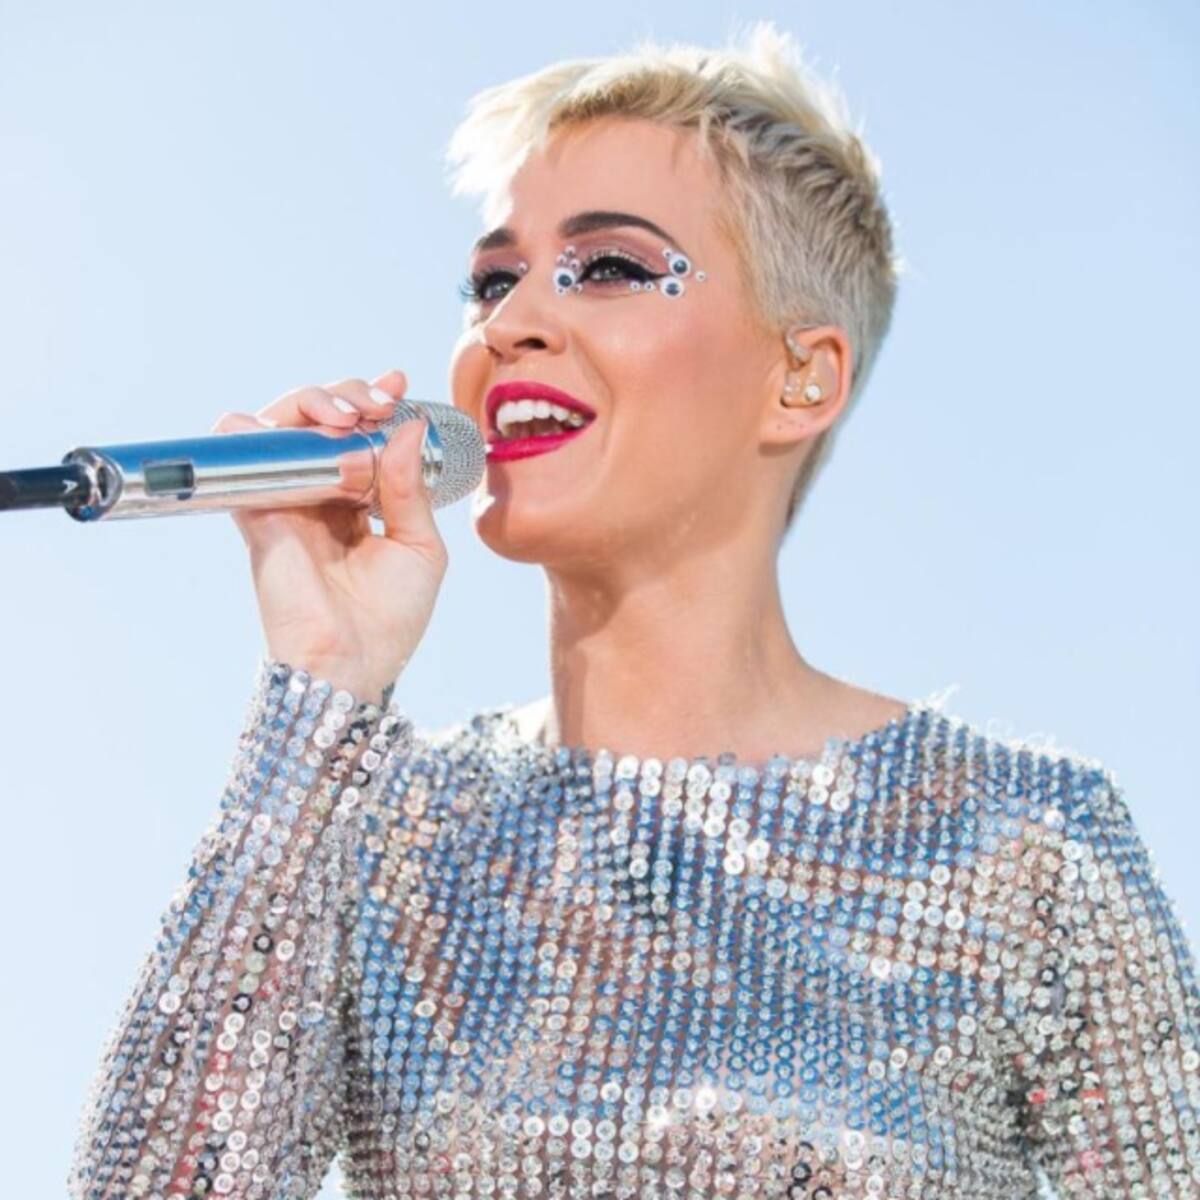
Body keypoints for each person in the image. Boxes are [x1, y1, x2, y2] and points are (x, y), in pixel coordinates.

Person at [67, 22, 1200, 1200]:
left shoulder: (1026, 851)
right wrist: (320, 689)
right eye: (493, 281)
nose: (507, 324)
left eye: (606, 267)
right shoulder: (388, 832)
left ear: (801, 376)